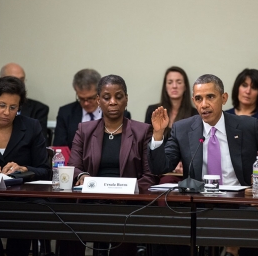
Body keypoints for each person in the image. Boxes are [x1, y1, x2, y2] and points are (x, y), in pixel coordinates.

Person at [149, 74, 258, 256]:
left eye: (210, 97)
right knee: (167, 229)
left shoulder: (247, 126)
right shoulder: (182, 128)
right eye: (199, 99)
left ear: (224, 98)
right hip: (200, 204)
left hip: (241, 202)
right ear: (194, 102)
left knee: (252, 229)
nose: (204, 104)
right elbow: (160, 167)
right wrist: (158, 135)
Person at [65, 74, 158, 256]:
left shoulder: (142, 131)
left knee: (122, 228)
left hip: (127, 204)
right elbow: (73, 167)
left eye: (119, 96)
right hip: (91, 202)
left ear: (126, 99)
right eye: (107, 98)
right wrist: (82, 176)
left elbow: (150, 176)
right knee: (67, 222)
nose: (113, 102)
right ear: (99, 100)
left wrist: (127, 192)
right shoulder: (84, 130)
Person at [0, 76, 50, 256]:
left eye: (13, 107)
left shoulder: (31, 127)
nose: (7, 112)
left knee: (30, 216)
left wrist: (24, 170)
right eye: (2, 105)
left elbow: (45, 170)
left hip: (22, 198)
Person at [53, 68, 131, 148]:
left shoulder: (119, 113)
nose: (86, 103)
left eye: (91, 98)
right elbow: (59, 148)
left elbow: (123, 147)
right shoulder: (66, 113)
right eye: (81, 99)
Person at [144, 66, 198, 181]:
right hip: (156, 168)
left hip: (183, 171)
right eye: (170, 82)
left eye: (179, 82)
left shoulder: (195, 114)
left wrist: (184, 162)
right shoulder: (154, 111)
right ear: (165, 86)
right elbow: (147, 143)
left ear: (185, 87)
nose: (174, 86)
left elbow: (195, 146)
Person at [0, 62, 50, 143]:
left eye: (21, 80)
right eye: (14, 80)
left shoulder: (39, 109)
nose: (19, 84)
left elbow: (42, 143)